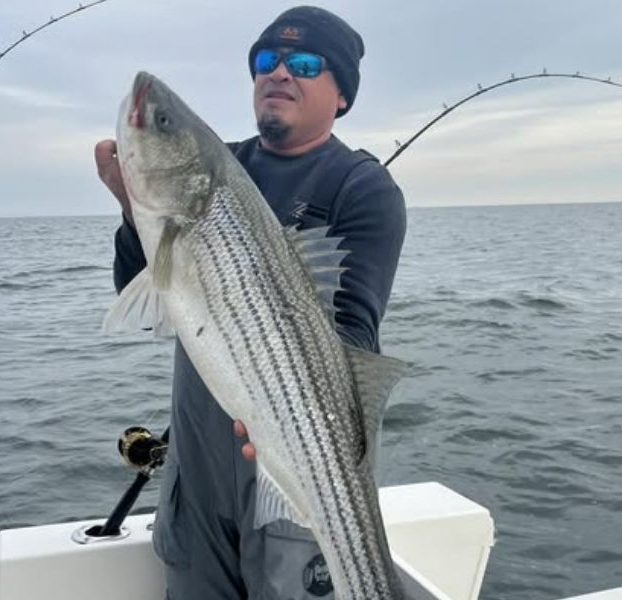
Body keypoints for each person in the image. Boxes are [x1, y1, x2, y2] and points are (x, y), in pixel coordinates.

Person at [94, 6, 406, 599]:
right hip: (197, 473)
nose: (281, 72)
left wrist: (280, 404)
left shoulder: (362, 186)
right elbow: (139, 291)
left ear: (341, 94)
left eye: (306, 63)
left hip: (300, 455)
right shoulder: (218, 167)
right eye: (268, 60)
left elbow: (356, 334)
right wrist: (133, 212)